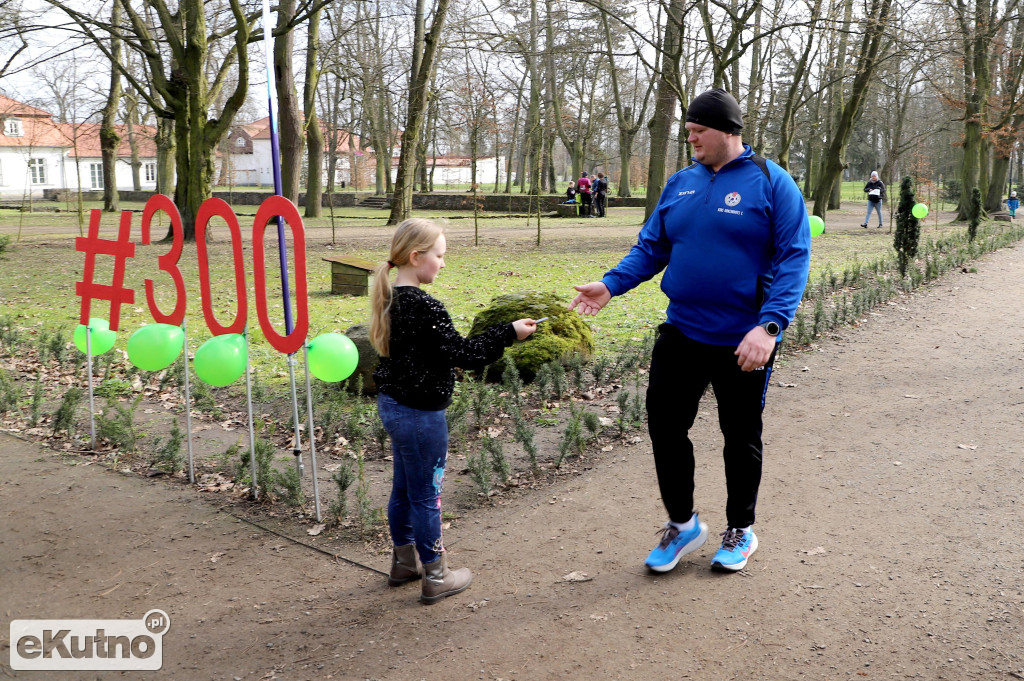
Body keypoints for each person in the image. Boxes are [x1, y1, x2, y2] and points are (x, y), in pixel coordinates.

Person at [569, 88, 810, 574]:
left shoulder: (771, 182)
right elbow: (652, 247)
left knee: (740, 436)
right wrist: (611, 285)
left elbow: (793, 259)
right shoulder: (681, 182)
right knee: (663, 425)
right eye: (688, 131)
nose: (691, 139)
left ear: (727, 131)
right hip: (682, 331)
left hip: (745, 338)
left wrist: (769, 326)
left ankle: (740, 528)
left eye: (698, 131)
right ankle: (682, 525)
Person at [370, 219, 538, 603]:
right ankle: (436, 574)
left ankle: (404, 562)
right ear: (416, 257)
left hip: (395, 407)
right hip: (420, 415)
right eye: (440, 256)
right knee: (427, 494)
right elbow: (465, 354)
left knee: (404, 488)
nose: (443, 264)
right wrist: (510, 332)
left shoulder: (391, 299)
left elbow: (446, 352)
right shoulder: (425, 306)